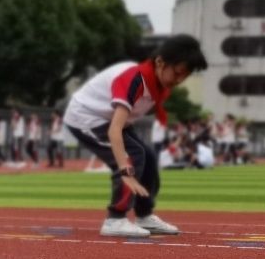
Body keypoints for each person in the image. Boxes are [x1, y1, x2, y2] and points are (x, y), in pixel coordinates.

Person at [62, 35, 207, 238]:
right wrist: (124, 167)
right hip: (86, 117)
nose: (179, 80)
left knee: (148, 156)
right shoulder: (135, 79)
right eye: (177, 73)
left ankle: (144, 215)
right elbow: (115, 130)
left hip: (109, 118)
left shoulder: (158, 85)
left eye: (185, 76)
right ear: (160, 62)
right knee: (133, 155)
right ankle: (115, 218)